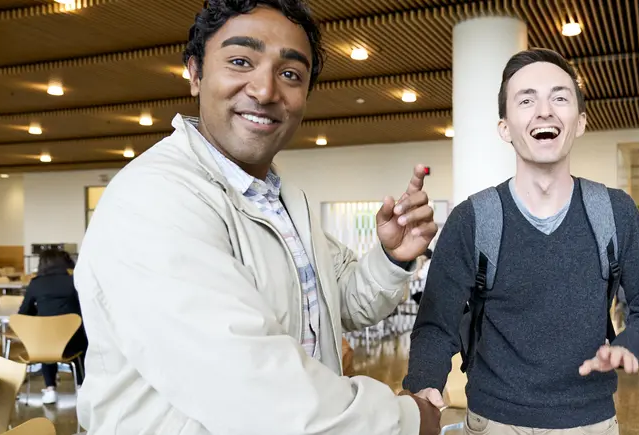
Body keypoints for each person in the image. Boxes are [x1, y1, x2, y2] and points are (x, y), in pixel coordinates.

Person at [72, 1, 441, 434]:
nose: (265, 90)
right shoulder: (154, 198)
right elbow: (252, 390)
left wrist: (391, 257)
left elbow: (340, 303)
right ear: (194, 73)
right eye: (240, 61)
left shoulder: (283, 200)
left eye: (290, 74)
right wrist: (412, 420)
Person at [402, 48, 639, 434]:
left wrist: (630, 343)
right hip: (493, 420)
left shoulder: (614, 212)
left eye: (559, 97)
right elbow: (435, 325)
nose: (544, 111)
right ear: (505, 128)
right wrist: (424, 385)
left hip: (592, 420)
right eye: (526, 100)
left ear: (579, 122)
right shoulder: (473, 219)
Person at [18, 249, 87, 405]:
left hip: (45, 346)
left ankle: (50, 389)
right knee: (81, 339)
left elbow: (23, 313)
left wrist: (41, 314)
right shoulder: (73, 281)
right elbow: (83, 309)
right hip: (73, 343)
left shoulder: (36, 283)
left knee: (45, 337)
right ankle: (82, 386)